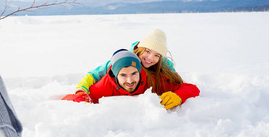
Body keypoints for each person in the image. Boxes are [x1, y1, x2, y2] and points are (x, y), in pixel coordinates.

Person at [63, 29, 200, 109]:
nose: (150, 58)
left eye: (156, 55)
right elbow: (92, 75)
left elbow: (182, 85)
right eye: (147, 51)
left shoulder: (160, 70)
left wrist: (177, 95)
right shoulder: (117, 64)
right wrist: (82, 92)